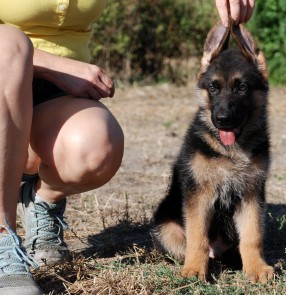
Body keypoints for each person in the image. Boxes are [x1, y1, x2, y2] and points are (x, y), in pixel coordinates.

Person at [0, 0, 255, 294]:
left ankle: (42, 200)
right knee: (9, 44)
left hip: (55, 95)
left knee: (96, 146)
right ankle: (4, 238)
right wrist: (56, 66)